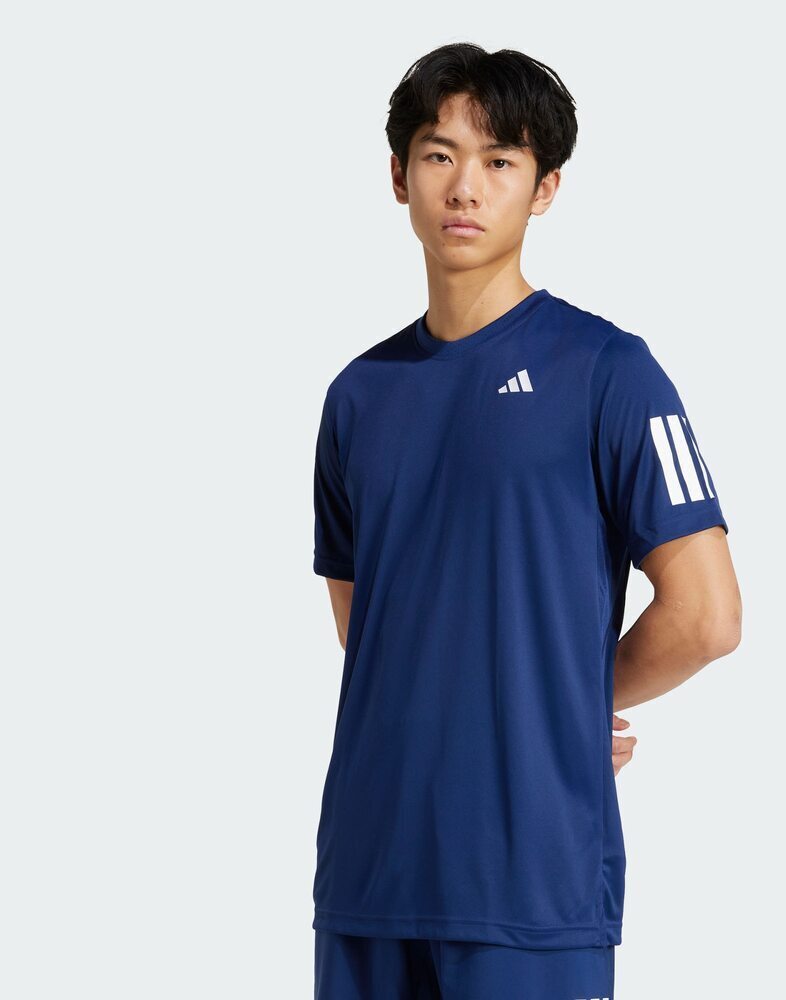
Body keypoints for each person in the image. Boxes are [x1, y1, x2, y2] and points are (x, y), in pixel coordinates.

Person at [311, 42, 742, 1000]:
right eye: (439, 154)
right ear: (399, 176)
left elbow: (709, 615)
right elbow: (367, 628)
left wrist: (561, 706)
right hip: (367, 880)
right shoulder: (357, 395)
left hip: (529, 885)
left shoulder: (610, 371)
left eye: (499, 160)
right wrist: (540, 703)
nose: (465, 186)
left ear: (544, 189)